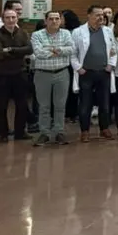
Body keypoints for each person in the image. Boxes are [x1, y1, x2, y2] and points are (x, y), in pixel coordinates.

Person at [71, 5, 117, 143]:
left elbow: (113, 50)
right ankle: (85, 131)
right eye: (97, 15)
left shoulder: (108, 31)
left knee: (105, 103)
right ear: (89, 16)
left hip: (104, 72)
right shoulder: (78, 32)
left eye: (102, 15)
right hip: (86, 73)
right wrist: (79, 68)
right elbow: (72, 54)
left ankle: (104, 129)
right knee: (85, 103)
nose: (101, 18)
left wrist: (111, 65)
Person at [30, 11, 74, 146]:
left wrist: (53, 50)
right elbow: (38, 53)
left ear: (60, 21)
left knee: (60, 105)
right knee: (44, 106)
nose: (54, 21)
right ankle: (45, 133)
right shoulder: (37, 35)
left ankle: (59, 132)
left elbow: (71, 49)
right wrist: (59, 50)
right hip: (42, 73)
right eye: (51, 19)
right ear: (45, 21)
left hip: (62, 73)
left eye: (57, 19)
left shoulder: (66, 34)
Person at [0, 7, 33, 143]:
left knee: (21, 105)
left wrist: (9, 50)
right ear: (3, 20)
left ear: (17, 19)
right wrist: (18, 52)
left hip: (19, 74)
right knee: (1, 106)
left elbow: (29, 49)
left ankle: (20, 132)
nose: (11, 20)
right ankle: (3, 134)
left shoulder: (23, 33)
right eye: (7, 18)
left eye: (13, 17)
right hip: (1, 75)